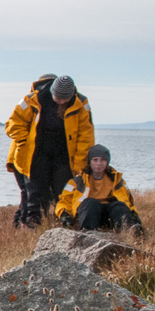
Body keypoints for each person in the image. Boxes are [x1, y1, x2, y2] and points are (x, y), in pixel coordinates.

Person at [6, 74, 94, 227]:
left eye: (64, 99)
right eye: (58, 98)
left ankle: (64, 222)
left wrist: (80, 163)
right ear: (53, 92)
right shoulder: (32, 99)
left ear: (71, 95)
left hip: (64, 155)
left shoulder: (81, 103)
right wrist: (23, 141)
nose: (61, 101)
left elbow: (86, 136)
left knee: (63, 190)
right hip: (36, 153)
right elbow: (13, 123)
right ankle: (33, 224)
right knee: (35, 191)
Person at [56, 145, 143, 234]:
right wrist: (65, 216)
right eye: (95, 160)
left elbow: (127, 201)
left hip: (109, 214)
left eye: (102, 160)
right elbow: (64, 201)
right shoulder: (77, 181)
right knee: (91, 203)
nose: (99, 163)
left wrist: (134, 215)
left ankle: (129, 232)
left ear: (107, 162)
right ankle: (88, 233)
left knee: (119, 206)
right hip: (88, 213)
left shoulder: (116, 180)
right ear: (90, 162)